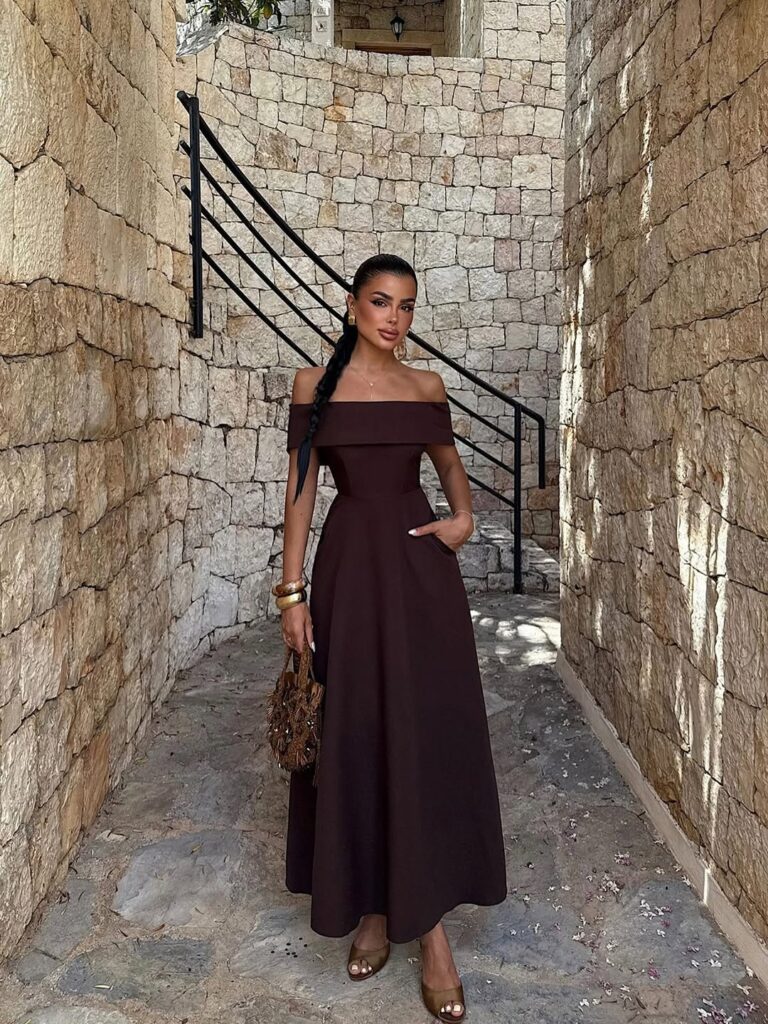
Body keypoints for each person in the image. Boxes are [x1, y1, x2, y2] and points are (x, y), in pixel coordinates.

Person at [276, 254, 507, 1022]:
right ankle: (373, 910)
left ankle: (430, 933)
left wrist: (463, 521)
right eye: (380, 302)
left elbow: (450, 468)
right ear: (351, 306)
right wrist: (291, 591)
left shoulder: (424, 387)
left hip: (418, 581)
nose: (394, 318)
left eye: (406, 305)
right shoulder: (316, 386)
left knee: (420, 734)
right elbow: (302, 495)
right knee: (359, 732)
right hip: (347, 575)